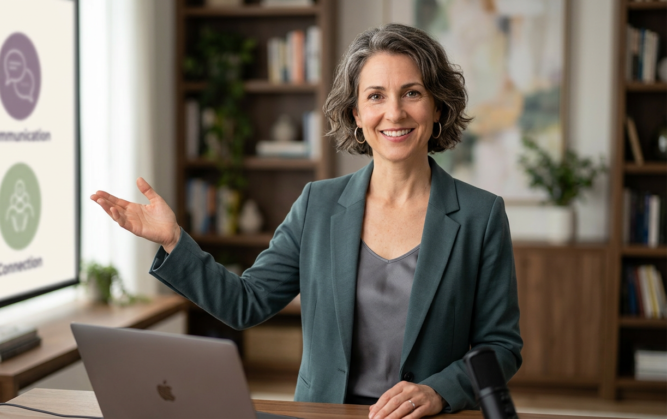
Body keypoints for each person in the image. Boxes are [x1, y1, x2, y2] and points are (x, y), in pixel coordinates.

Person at [91, 24, 522, 419]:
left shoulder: (480, 215)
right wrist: (172, 240)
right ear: (356, 114)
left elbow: (500, 346)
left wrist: (439, 391)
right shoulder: (318, 204)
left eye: (412, 93)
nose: (394, 113)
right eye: (375, 96)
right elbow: (246, 303)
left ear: (438, 108)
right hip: (323, 416)